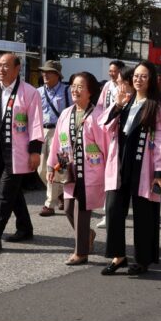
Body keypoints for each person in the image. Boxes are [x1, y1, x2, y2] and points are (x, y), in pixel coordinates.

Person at [100, 61, 161, 276]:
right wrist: (118, 105)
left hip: (144, 166)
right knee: (113, 209)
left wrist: (160, 173)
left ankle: (142, 259)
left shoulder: (156, 107)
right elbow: (104, 126)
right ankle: (118, 255)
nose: (138, 79)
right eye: (136, 76)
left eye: (144, 76)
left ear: (151, 80)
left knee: (144, 214)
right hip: (120, 163)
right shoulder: (126, 102)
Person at [0, 53, 44, 251]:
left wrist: (35, 151)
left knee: (5, 192)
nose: (1, 69)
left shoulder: (29, 92)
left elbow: (36, 122)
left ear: (17, 68)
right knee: (14, 192)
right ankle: (25, 227)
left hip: (18, 151)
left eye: (6, 66)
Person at [46, 72, 108, 265]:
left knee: (81, 210)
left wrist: (110, 171)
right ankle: (87, 234)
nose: (75, 89)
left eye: (80, 86)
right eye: (73, 85)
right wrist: (51, 166)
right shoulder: (66, 114)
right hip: (70, 170)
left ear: (90, 92)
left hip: (90, 171)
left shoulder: (98, 116)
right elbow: (57, 142)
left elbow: (107, 146)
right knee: (68, 209)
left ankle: (80, 252)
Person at [95, 66, 134, 230]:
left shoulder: (145, 103)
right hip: (117, 154)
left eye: (120, 83)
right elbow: (104, 123)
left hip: (135, 158)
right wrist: (117, 105)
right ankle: (116, 249)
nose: (118, 86)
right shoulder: (118, 99)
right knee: (114, 201)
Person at [37, 60, 71, 217]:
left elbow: (73, 111)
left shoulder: (67, 91)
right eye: (43, 71)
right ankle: (61, 195)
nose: (45, 74)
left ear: (57, 75)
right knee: (41, 169)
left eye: (48, 72)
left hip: (61, 133)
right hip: (42, 131)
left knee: (58, 167)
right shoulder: (38, 92)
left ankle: (49, 204)